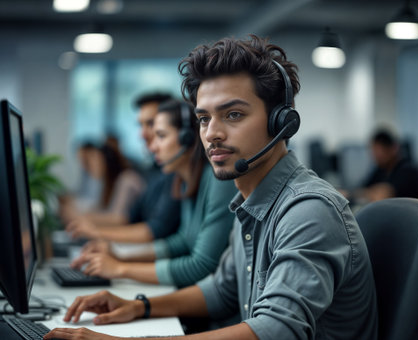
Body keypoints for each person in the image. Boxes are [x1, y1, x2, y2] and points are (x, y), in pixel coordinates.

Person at [45, 35, 378, 340]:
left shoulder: (309, 210)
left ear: (281, 122)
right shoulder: (249, 202)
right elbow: (221, 291)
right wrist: (138, 306)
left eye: (232, 115)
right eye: (204, 118)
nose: (211, 133)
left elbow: (277, 329)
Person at [69, 99, 237, 288]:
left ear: (187, 138)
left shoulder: (217, 180)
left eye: (161, 136)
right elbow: (181, 242)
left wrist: (120, 268)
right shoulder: (183, 182)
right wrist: (121, 256)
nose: (152, 147)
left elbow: (200, 265)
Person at [65, 93, 181, 244]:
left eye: (151, 124)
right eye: (141, 125)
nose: (142, 134)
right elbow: (131, 217)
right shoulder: (153, 171)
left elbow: (155, 230)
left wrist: (118, 264)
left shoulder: (172, 174)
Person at [353, 128, 418, 203]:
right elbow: (363, 188)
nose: (375, 156)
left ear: (393, 149)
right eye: (373, 151)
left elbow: (383, 195)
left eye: (379, 151)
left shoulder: (408, 171)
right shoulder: (381, 169)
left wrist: (370, 192)